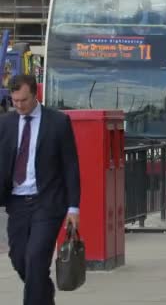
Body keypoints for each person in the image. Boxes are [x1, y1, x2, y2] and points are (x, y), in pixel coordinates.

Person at [0, 75, 81, 305]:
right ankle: (44, 295)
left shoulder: (58, 122)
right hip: (16, 202)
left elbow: (71, 167)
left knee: (36, 259)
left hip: (47, 203)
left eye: (23, 100)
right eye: (14, 100)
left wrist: (74, 208)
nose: (18, 105)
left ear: (35, 94)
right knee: (19, 259)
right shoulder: (5, 124)